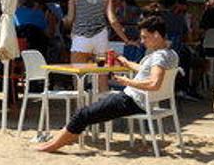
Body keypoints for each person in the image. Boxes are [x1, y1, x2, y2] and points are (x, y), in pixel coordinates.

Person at [37, 16, 179, 153]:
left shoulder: (159, 57)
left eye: (144, 37)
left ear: (156, 35)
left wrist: (127, 82)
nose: (142, 41)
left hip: (131, 101)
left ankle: (54, 144)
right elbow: (146, 71)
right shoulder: (170, 54)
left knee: (82, 114)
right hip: (141, 102)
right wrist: (126, 62)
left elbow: (154, 83)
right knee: (84, 114)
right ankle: (60, 139)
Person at [65, 0, 133, 68]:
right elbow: (113, 20)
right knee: (101, 74)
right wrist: (126, 40)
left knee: (78, 74)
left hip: (81, 37)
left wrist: (65, 23)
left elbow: (70, 18)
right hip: (100, 38)